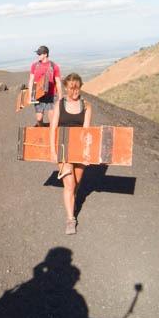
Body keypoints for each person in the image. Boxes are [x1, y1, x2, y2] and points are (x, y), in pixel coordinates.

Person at [49, 72, 93, 235]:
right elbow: (53, 128)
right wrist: (53, 151)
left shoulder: (87, 105)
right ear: (66, 88)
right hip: (62, 148)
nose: (74, 92)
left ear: (80, 87)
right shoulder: (60, 104)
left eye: (76, 89)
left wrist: (87, 153)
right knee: (69, 184)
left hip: (79, 149)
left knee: (76, 183)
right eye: (70, 89)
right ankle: (70, 219)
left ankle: (71, 201)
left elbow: (86, 131)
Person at [26, 46, 62, 126]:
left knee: (52, 119)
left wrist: (60, 97)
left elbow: (58, 82)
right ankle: (42, 131)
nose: (38, 55)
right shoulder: (34, 66)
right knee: (39, 119)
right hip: (38, 95)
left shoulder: (54, 66)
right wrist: (30, 94)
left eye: (39, 53)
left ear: (45, 54)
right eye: (38, 53)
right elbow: (31, 81)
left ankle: (51, 134)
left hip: (51, 95)